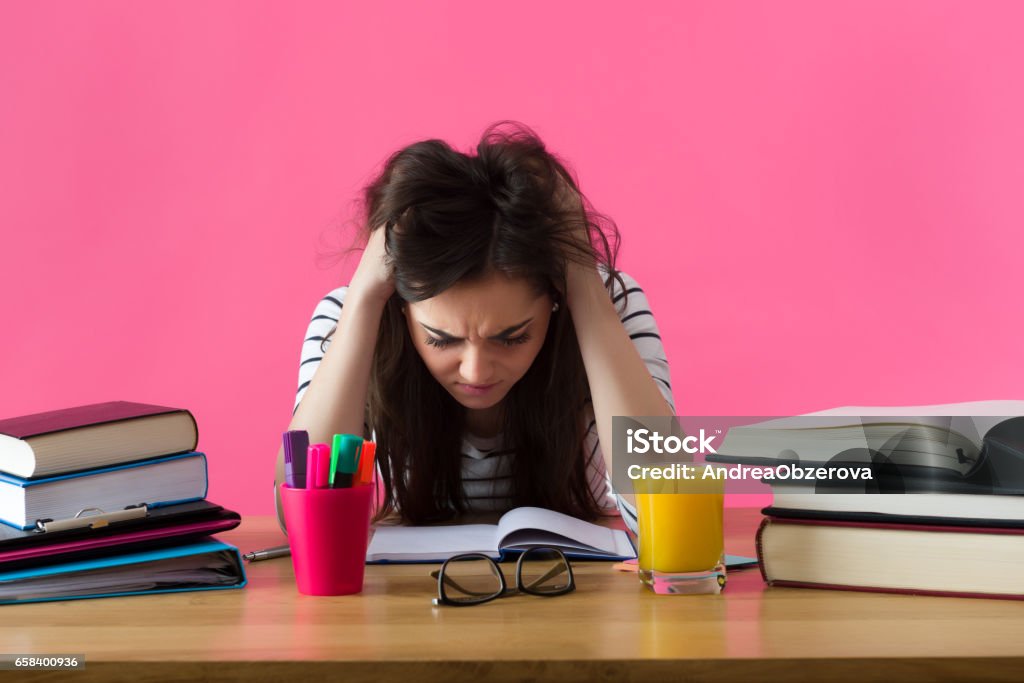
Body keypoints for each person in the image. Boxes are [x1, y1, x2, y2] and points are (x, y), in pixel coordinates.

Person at [274, 122, 675, 534]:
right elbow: (303, 524)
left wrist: (585, 288)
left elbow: (668, 501)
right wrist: (363, 301)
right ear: (400, 308)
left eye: (513, 336)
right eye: (440, 339)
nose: (476, 372)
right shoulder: (353, 313)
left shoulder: (608, 303)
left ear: (556, 301)